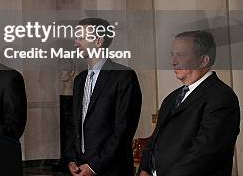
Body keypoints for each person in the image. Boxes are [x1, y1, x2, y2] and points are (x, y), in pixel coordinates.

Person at [138, 31, 240, 176]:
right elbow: (154, 141)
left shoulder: (222, 97)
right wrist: (144, 170)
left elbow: (204, 154)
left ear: (203, 60)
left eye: (181, 55)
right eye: (172, 54)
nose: (173, 61)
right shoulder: (171, 98)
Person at [64, 17, 142, 176]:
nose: (75, 42)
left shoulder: (124, 76)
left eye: (81, 37)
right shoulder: (79, 80)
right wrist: (71, 159)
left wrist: (94, 166)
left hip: (111, 169)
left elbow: (124, 129)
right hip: (80, 168)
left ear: (99, 41)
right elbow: (75, 125)